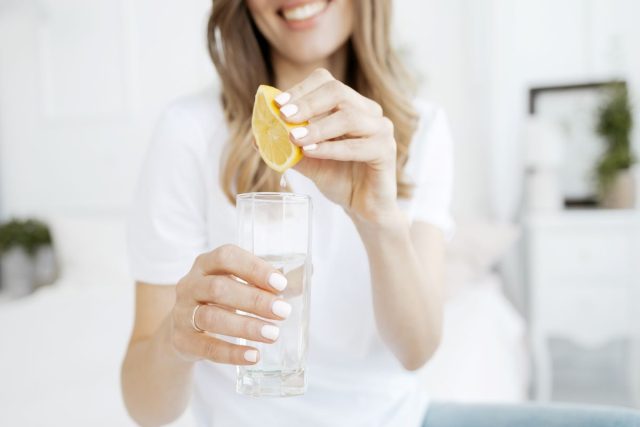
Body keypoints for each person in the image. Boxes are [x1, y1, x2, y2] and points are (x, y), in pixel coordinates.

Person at [121, 1, 640, 426]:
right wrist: (178, 336)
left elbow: (416, 350)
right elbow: (145, 408)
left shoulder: (422, 128)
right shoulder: (188, 131)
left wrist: (378, 218)